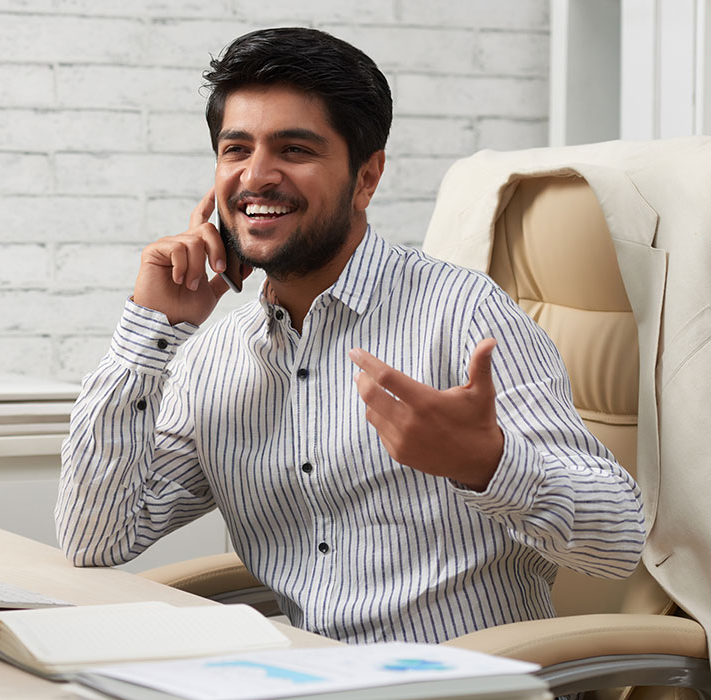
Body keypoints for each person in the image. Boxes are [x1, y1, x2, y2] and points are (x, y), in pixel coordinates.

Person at [53, 27, 646, 645]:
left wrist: (488, 463)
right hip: (310, 678)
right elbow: (97, 539)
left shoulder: (463, 313)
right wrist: (151, 331)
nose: (256, 177)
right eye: (236, 149)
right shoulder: (215, 357)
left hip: (466, 684)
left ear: (366, 178)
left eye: (295, 149)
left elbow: (621, 541)